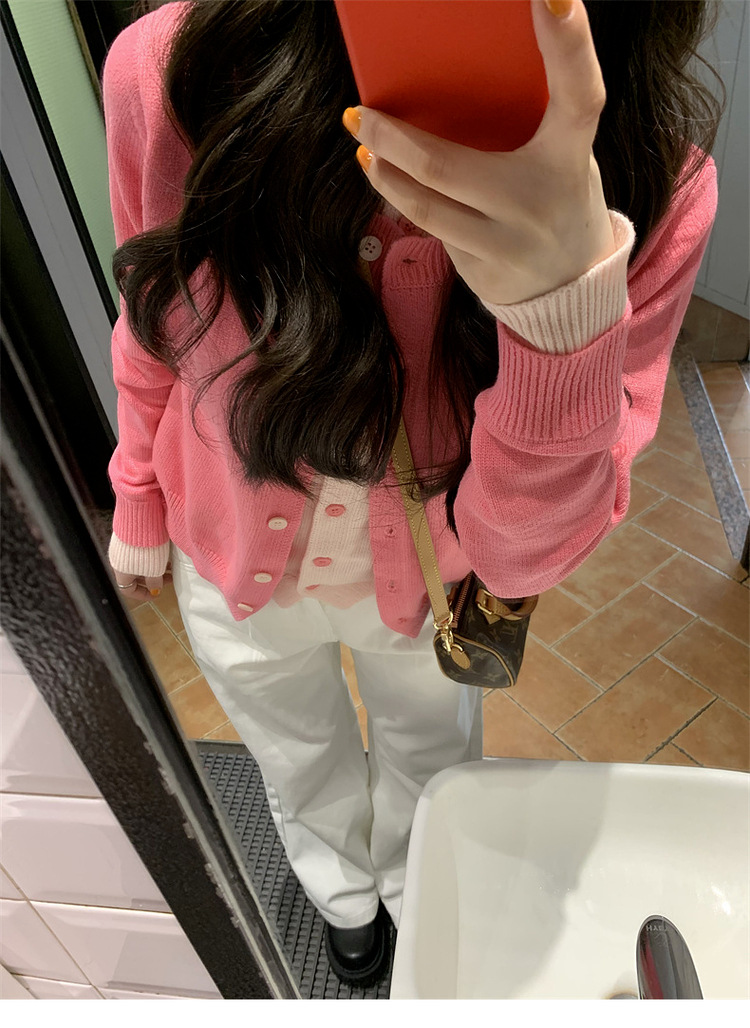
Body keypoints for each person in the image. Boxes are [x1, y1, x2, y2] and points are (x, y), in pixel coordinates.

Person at [102, 0, 721, 989]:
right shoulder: (173, 74)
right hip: (230, 560)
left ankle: (411, 890)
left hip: (432, 587)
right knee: (293, 756)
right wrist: (135, 486)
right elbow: (151, 319)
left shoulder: (651, 183)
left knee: (430, 764)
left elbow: (520, 556)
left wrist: (561, 315)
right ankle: (343, 899)